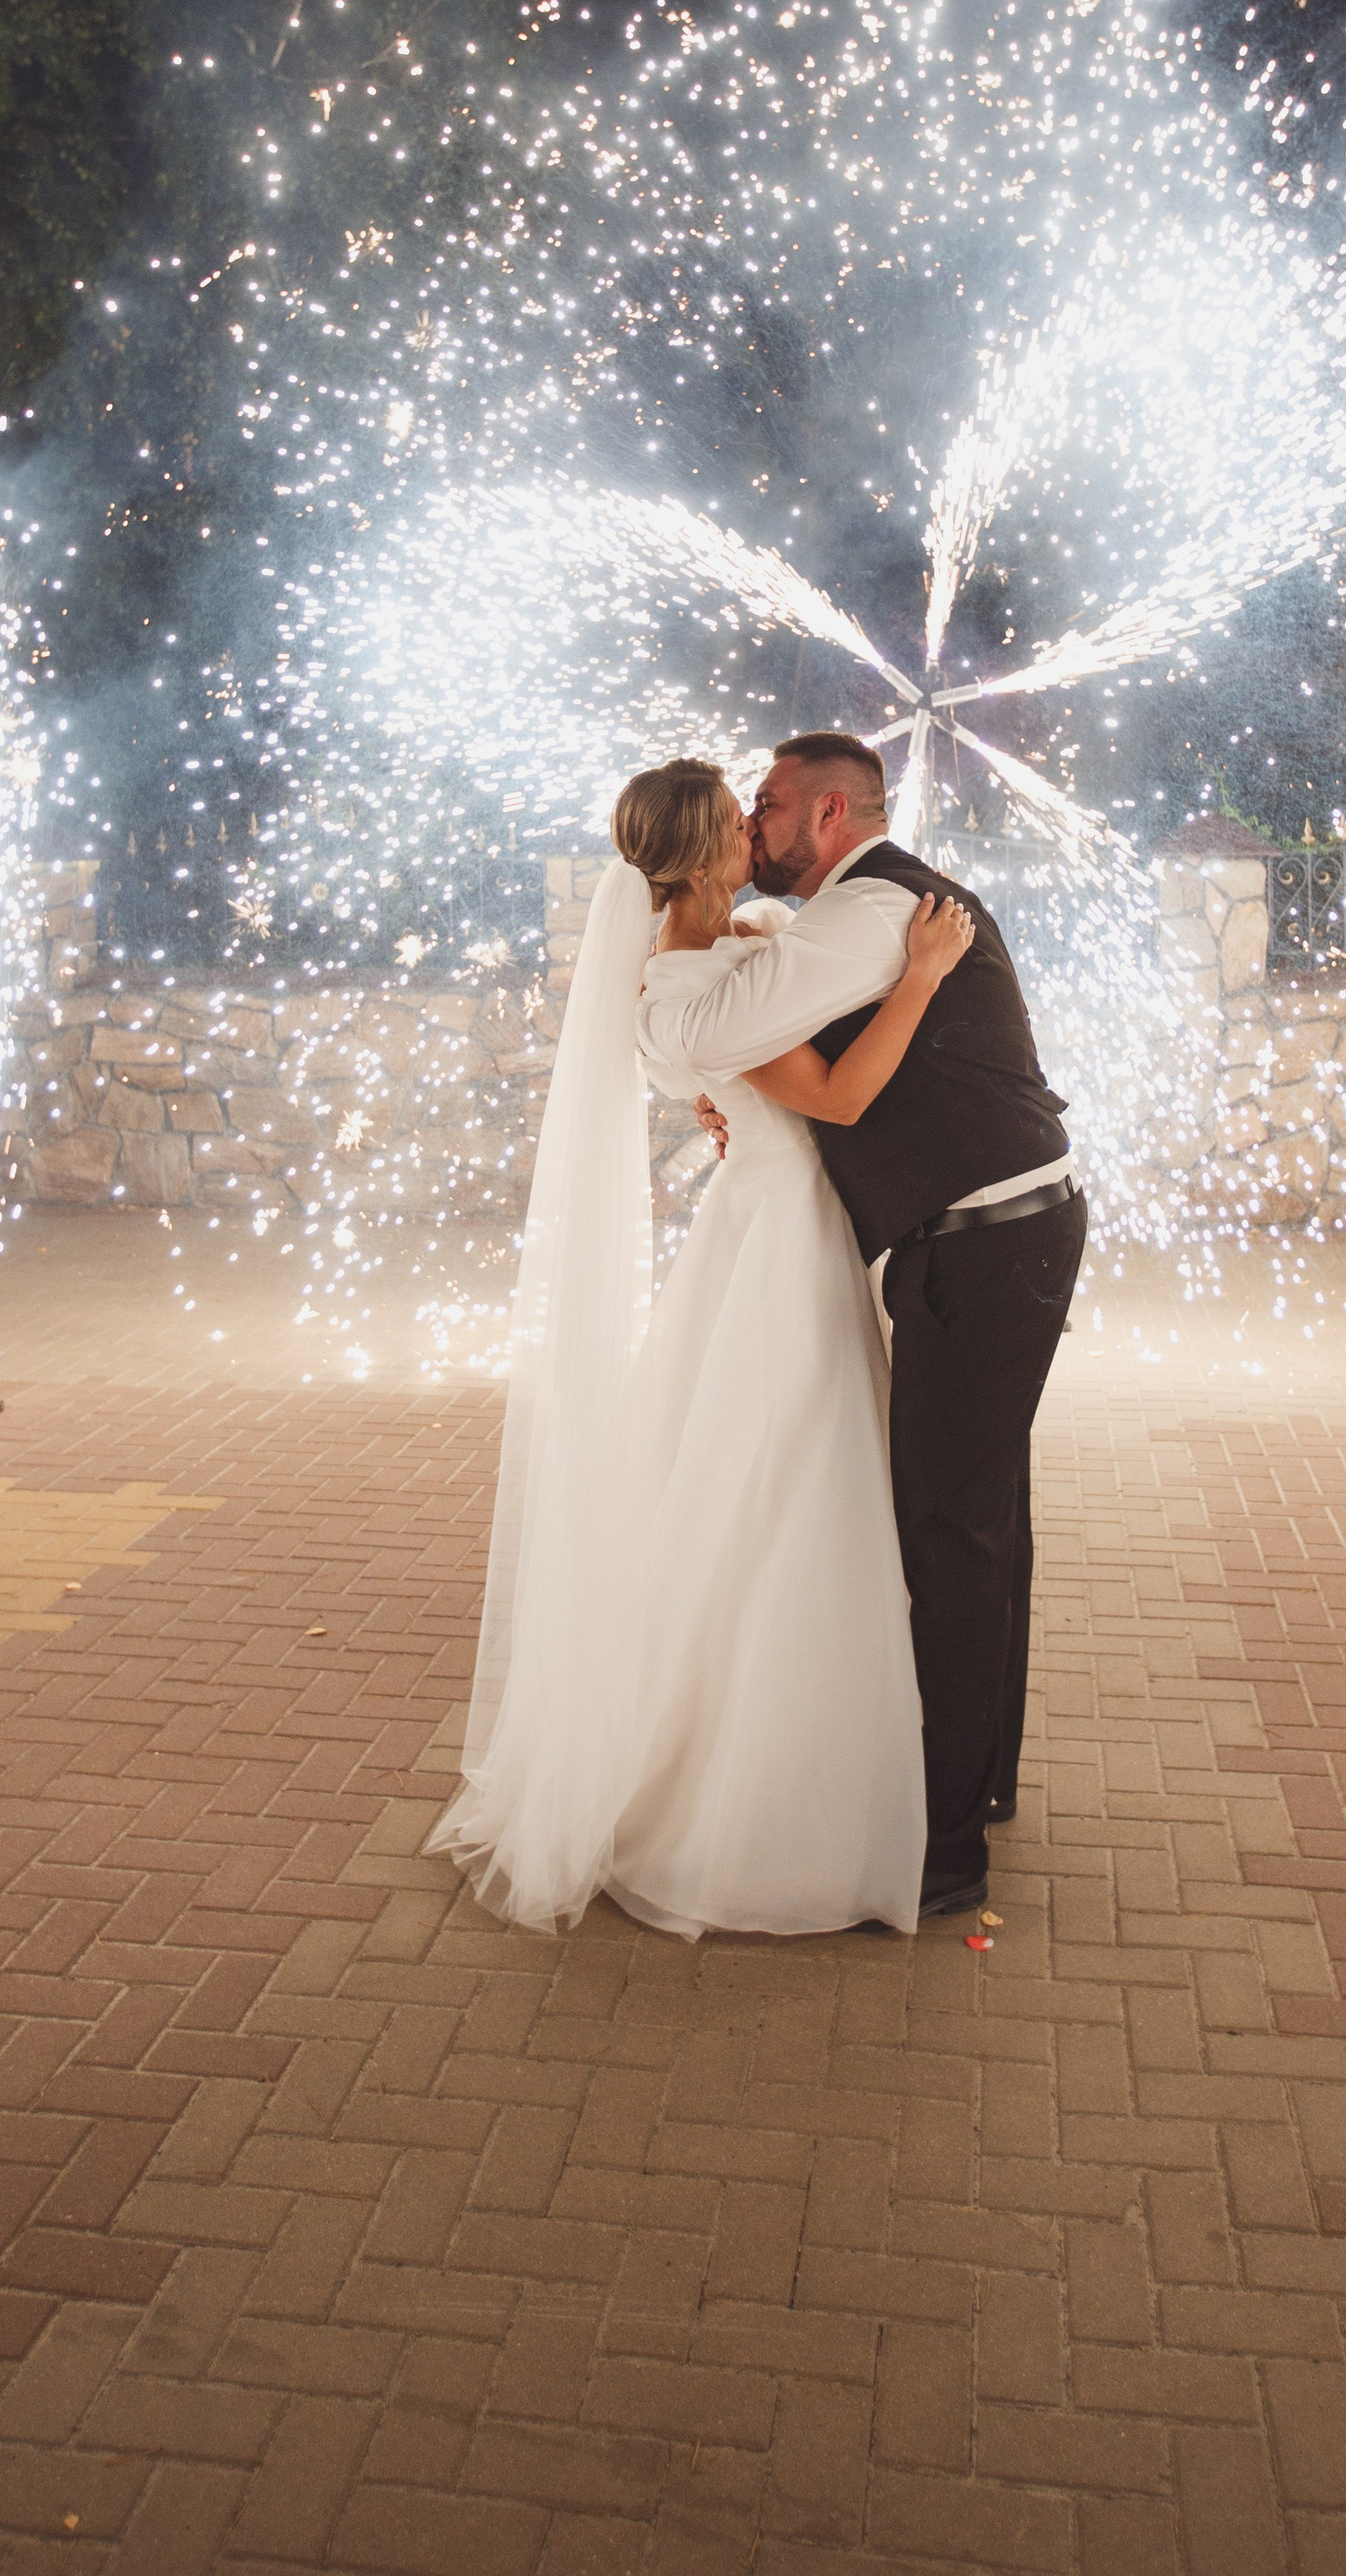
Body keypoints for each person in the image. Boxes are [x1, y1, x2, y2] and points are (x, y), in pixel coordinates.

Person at [430, 755, 974, 1938]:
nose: (756, 830)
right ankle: (750, 1807)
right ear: (699, 850)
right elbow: (833, 1099)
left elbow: (763, 1030)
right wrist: (923, 979)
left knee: (757, 1492)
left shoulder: (732, 953)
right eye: (739, 820)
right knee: (786, 1501)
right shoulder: (693, 986)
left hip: (768, 1229)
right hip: (778, 1250)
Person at [657, 732, 1085, 1917]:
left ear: (834, 814)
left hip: (988, 1240)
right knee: (981, 1520)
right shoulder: (848, 916)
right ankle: (976, 1786)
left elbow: (752, 1022)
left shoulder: (867, 913)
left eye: (774, 805)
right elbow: (760, 1027)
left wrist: (697, 1032)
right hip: (989, 1235)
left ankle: (944, 1850)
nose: (753, 824)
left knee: (952, 1531)